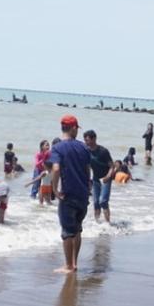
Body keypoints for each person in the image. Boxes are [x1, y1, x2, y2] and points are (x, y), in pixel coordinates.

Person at [49, 115, 92, 273]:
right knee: (78, 229)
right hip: (83, 194)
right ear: (73, 128)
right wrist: (88, 188)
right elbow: (88, 170)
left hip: (68, 194)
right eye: (77, 129)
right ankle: (74, 262)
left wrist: (55, 189)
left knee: (67, 232)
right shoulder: (84, 147)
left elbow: (55, 169)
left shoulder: (58, 148)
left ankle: (68, 266)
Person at [83, 130, 114, 224]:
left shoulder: (103, 151)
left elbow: (112, 166)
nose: (86, 142)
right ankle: (97, 223)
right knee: (96, 202)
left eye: (87, 140)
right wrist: (88, 180)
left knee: (103, 201)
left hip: (106, 178)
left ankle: (108, 223)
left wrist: (108, 177)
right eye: (85, 140)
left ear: (94, 139)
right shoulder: (87, 151)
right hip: (96, 179)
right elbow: (87, 167)